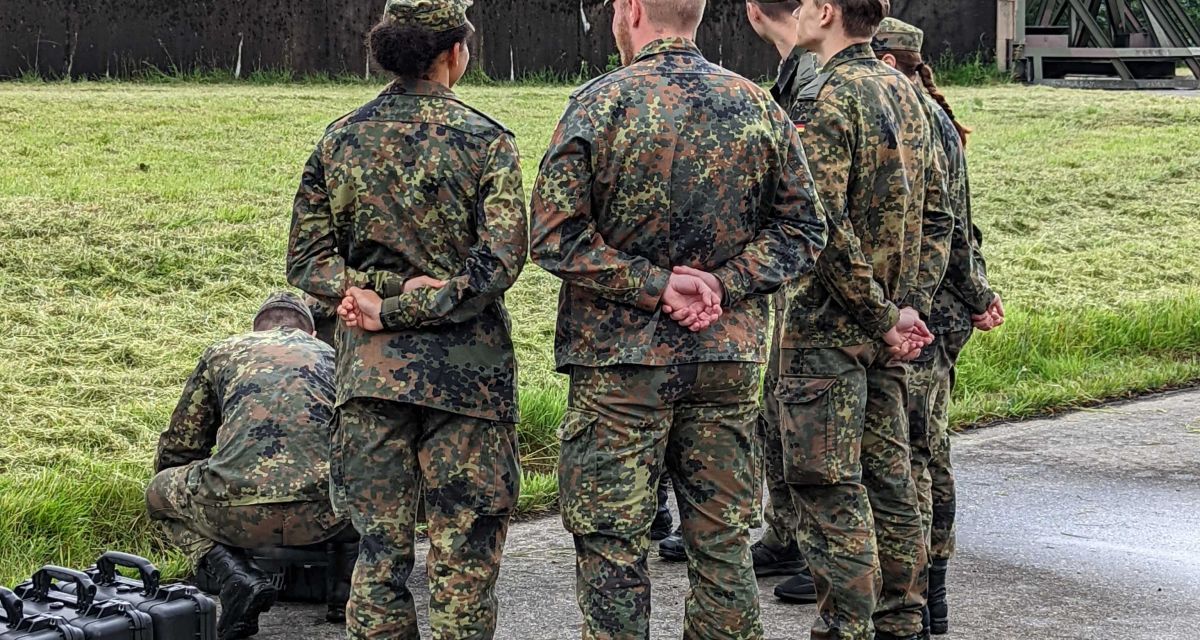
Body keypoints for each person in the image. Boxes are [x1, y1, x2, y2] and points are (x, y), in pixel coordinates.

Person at [529, 0, 828, 636]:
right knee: (721, 539)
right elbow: (804, 229)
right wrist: (723, 282)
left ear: (631, 11)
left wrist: (654, 285)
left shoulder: (597, 103)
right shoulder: (756, 104)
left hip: (620, 368)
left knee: (612, 544)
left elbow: (554, 235)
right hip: (725, 358)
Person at [286, 0, 529, 637]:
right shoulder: (487, 139)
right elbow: (500, 263)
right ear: (454, 52)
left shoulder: (341, 138)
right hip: (467, 383)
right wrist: (415, 296)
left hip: (371, 377)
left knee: (378, 554)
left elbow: (306, 260)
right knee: (464, 559)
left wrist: (373, 298)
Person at [777, 0, 956, 638]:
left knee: (828, 487)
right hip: (887, 328)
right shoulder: (907, 95)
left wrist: (885, 313)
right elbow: (941, 215)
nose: (792, 13)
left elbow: (818, 225)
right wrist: (910, 304)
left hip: (827, 331)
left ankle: (846, 626)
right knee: (890, 480)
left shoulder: (828, 98)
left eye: (801, 4)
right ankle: (903, 622)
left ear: (825, 12)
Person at [872, 17, 1005, 635]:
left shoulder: (916, 120)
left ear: (890, 62)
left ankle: (922, 594)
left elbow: (945, 227)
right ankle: (932, 594)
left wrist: (971, 296)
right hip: (947, 306)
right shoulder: (933, 115)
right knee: (929, 450)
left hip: (931, 309)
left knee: (918, 455)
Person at [146, 292, 347, 640]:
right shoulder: (335, 356)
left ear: (254, 331)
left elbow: (181, 445)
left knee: (158, 495)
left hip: (235, 510)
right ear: (311, 334)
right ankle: (345, 590)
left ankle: (232, 573)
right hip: (327, 515)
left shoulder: (225, 352)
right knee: (367, 487)